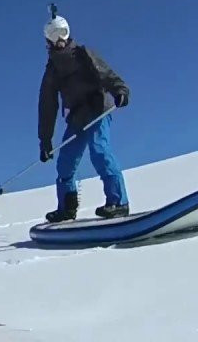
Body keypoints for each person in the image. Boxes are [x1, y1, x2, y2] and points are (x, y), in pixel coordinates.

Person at [38, 14, 131, 222]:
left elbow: (105, 73)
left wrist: (119, 90)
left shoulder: (83, 54)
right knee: (65, 162)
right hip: (77, 118)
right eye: (53, 35)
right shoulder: (52, 71)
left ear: (68, 32)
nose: (59, 39)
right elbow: (47, 106)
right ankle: (67, 209)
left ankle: (118, 202)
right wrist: (45, 140)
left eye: (62, 32)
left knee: (100, 150)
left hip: (97, 107)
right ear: (48, 41)